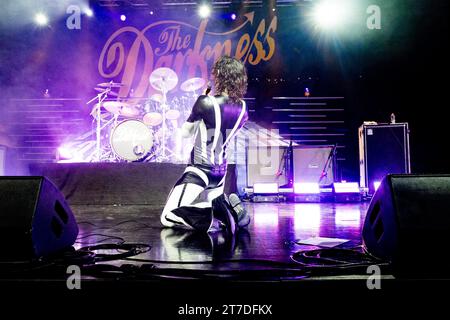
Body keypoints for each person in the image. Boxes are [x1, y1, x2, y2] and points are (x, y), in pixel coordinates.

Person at [160, 56, 250, 234]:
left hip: (199, 170)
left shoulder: (205, 101)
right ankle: (231, 212)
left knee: (168, 216)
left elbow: (186, 133)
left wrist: (203, 100)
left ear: (218, 75)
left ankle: (211, 219)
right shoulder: (244, 108)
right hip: (221, 173)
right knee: (206, 200)